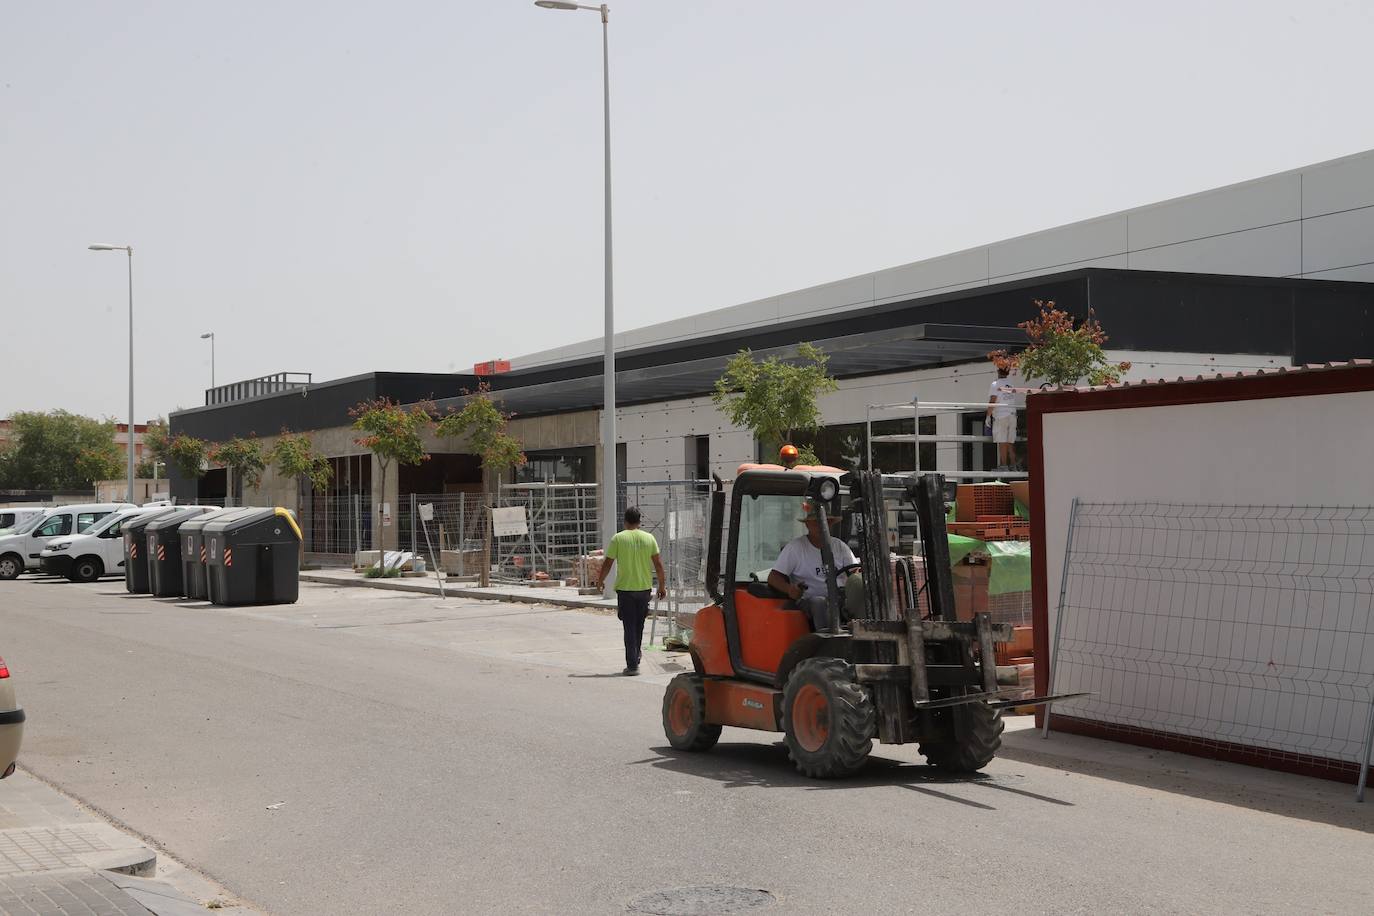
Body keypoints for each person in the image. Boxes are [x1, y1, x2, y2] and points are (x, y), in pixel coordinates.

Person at [767, 500, 858, 632]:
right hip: (809, 601)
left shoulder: (840, 546)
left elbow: (854, 572)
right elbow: (773, 577)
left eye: (825, 522)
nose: (820, 526)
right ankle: (827, 642)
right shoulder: (795, 548)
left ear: (830, 524)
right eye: (816, 522)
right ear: (808, 524)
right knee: (819, 602)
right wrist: (790, 589)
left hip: (840, 598)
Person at [596, 506, 667, 676]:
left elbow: (608, 563)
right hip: (644, 589)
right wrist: (662, 585)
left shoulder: (618, 539)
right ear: (639, 521)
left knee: (629, 627)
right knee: (639, 625)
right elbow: (658, 564)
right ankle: (636, 654)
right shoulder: (649, 538)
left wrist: (600, 581)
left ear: (625, 521)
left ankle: (633, 665)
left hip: (626, 590)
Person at [986, 366, 1020, 470]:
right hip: (1012, 414)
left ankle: (1004, 465)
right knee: (1010, 440)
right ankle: (1014, 464)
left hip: (1001, 415)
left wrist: (988, 416)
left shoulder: (995, 384)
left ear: (998, 371)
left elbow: (993, 400)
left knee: (1002, 440)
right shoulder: (1010, 383)